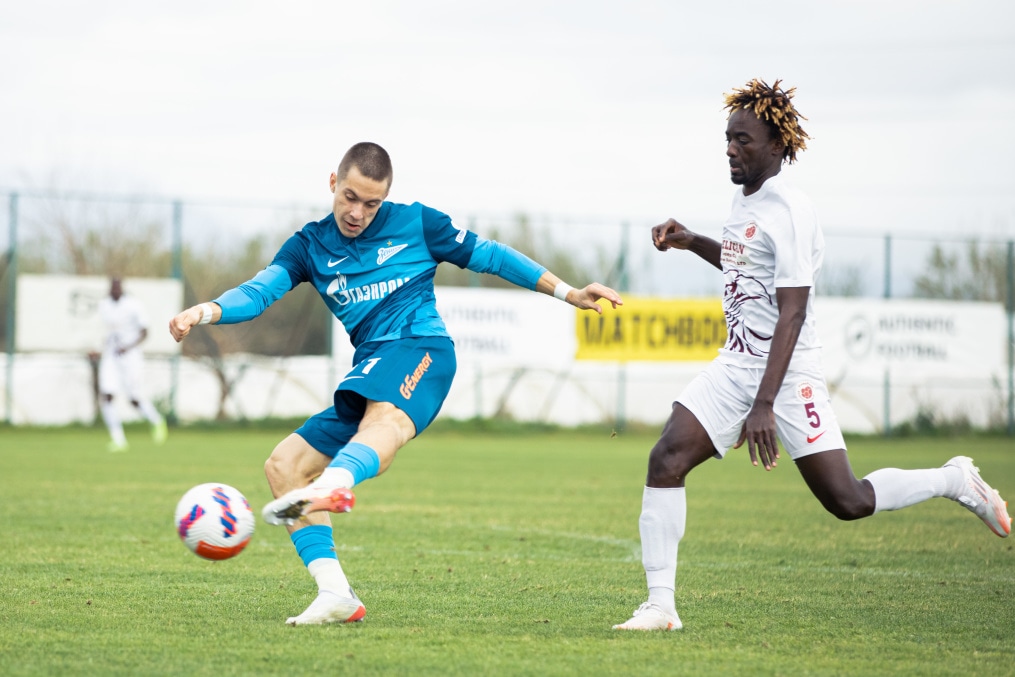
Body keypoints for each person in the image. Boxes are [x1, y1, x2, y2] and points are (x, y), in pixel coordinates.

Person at [613, 79, 1012, 632]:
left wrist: (764, 404)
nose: (730, 148)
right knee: (666, 459)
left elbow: (792, 313)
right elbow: (741, 266)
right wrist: (692, 241)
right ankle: (661, 607)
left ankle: (954, 480)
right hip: (736, 367)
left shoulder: (792, 211)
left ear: (777, 146)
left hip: (788, 373)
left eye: (743, 140)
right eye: (727, 138)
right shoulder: (743, 200)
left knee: (847, 501)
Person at [169, 141, 623, 626]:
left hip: (421, 347)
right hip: (371, 367)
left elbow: (490, 256)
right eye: (349, 197)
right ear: (332, 183)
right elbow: (260, 292)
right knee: (284, 466)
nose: (358, 212)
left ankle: (335, 484)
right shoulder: (308, 246)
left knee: (383, 421)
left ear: (385, 199)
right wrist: (206, 310)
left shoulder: (418, 223)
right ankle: (336, 594)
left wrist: (569, 292)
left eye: (371, 203)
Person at [93, 277, 168, 452]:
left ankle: (157, 421)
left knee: (134, 399)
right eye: (113, 287)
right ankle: (118, 439)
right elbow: (102, 330)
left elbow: (145, 332)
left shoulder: (134, 305)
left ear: (122, 289)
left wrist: (128, 347)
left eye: (118, 287)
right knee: (107, 396)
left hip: (130, 357)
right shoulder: (104, 306)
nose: (115, 290)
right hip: (111, 355)